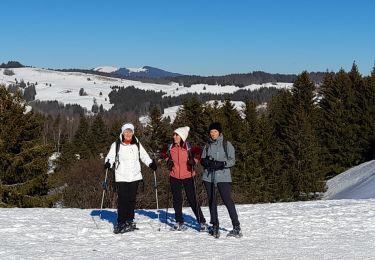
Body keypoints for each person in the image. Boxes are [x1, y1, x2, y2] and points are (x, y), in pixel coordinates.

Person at [105, 123, 157, 234]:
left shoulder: (137, 144)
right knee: (123, 199)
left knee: (131, 199)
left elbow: (143, 156)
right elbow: (110, 157)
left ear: (133, 133)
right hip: (121, 176)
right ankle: (120, 223)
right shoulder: (117, 144)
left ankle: (129, 220)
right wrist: (108, 163)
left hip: (135, 176)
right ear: (122, 133)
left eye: (130, 132)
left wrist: (150, 163)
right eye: (126, 132)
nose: (128, 134)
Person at [200, 122, 242, 238]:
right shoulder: (207, 145)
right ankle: (215, 225)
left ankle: (236, 226)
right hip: (209, 177)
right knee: (212, 201)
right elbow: (202, 159)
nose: (213, 134)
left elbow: (232, 160)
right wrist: (206, 162)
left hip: (223, 177)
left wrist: (222, 164)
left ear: (219, 132)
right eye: (211, 131)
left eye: (215, 131)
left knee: (227, 201)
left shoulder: (226, 144)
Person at [160, 126, 206, 231]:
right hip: (174, 176)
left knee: (192, 199)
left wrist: (194, 161)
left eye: (176, 135)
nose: (174, 136)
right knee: (177, 200)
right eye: (174, 134)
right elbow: (162, 152)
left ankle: (202, 222)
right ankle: (179, 222)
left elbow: (200, 152)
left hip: (188, 176)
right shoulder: (171, 146)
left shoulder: (189, 147)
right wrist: (168, 160)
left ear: (182, 137)